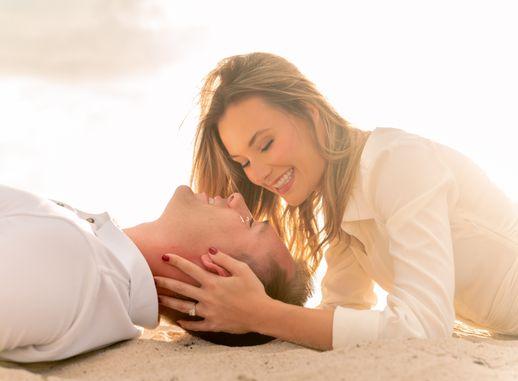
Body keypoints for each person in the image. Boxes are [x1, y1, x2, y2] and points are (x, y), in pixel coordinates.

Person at [155, 52, 518, 351]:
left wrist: (261, 314)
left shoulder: (396, 164)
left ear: (311, 115)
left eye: (265, 144)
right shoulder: (344, 203)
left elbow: (424, 327)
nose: (259, 174)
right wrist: (239, 311)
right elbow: (344, 310)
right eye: (244, 163)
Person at [0, 184, 311, 363]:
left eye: (250, 223)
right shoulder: (94, 270)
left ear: (218, 273)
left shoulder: (76, 267)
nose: (237, 199)